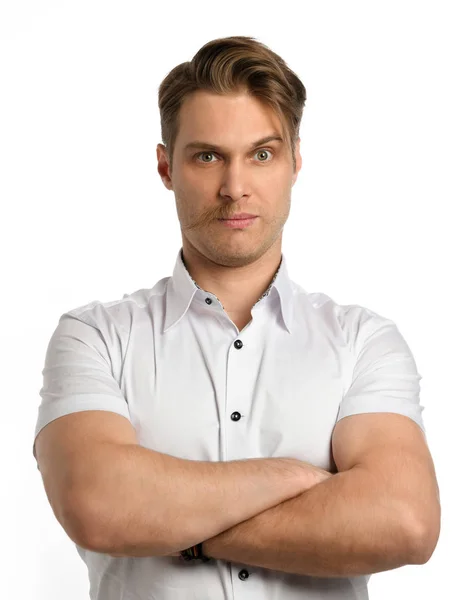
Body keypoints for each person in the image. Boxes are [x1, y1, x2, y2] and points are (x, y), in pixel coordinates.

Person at [33, 35, 440, 600]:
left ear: (296, 161)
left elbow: (405, 523)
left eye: (262, 154)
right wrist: (298, 480)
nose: (235, 187)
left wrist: (180, 526)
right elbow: (98, 505)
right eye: (207, 156)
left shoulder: (363, 343)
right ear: (164, 166)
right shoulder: (97, 338)